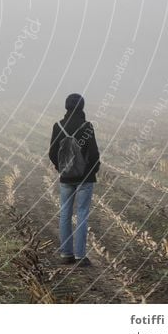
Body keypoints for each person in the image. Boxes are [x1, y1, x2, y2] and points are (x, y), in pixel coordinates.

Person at [48, 93, 100, 267]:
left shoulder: (58, 126)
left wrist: (61, 168)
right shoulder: (87, 126)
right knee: (82, 214)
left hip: (66, 178)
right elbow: (93, 154)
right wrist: (92, 170)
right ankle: (80, 256)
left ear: (66, 107)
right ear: (82, 107)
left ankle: (66, 254)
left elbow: (52, 153)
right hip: (85, 178)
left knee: (65, 214)